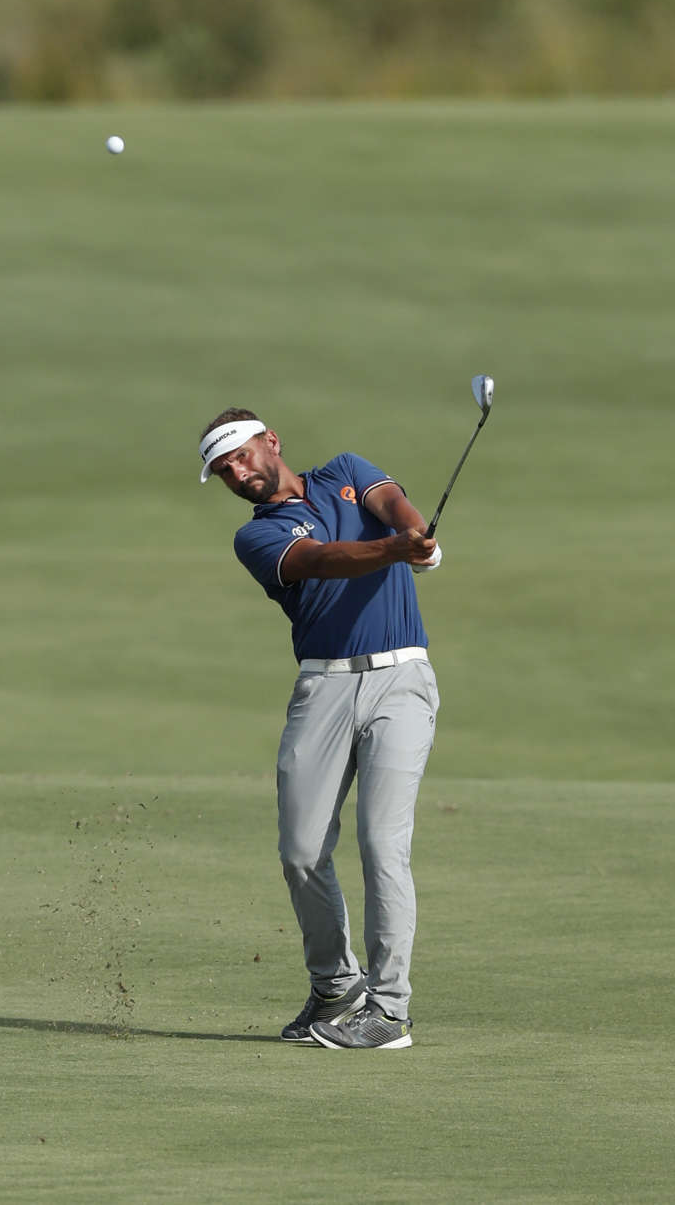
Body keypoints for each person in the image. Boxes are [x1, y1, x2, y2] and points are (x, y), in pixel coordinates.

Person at [197, 408, 441, 1049]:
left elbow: (393, 503)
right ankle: (336, 989)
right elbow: (326, 559)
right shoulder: (257, 538)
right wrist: (396, 550)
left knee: (382, 844)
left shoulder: (346, 473)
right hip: (323, 687)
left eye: (242, 457)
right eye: (225, 472)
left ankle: (389, 1012)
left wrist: (420, 540)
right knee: (301, 851)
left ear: (272, 442)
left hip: (402, 681)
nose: (238, 474)